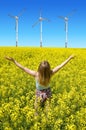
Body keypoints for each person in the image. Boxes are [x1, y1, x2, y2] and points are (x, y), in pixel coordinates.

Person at [5, 55, 74, 109]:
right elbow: (60, 66)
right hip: (48, 92)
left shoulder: (36, 74)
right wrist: (69, 58)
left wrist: (14, 61)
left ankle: (36, 119)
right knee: (48, 107)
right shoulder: (50, 73)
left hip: (39, 92)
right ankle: (47, 120)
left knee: (36, 108)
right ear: (49, 68)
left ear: (39, 68)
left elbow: (23, 68)